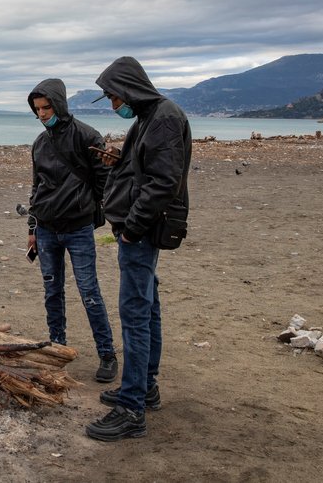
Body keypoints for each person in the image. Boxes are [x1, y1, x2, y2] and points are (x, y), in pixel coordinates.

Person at [86, 56, 192, 442]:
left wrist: (130, 229)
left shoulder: (163, 118)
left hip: (142, 233)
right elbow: (147, 170)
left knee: (135, 313)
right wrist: (119, 160)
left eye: (114, 97)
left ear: (130, 88)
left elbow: (163, 182)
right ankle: (144, 387)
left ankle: (131, 409)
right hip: (141, 230)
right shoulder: (150, 118)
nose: (114, 106)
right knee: (147, 308)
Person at [26, 78, 117, 383]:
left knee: (89, 292)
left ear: (59, 104)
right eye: (37, 108)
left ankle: (107, 354)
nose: (41, 113)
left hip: (78, 229)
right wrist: (32, 227)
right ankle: (57, 349)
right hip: (47, 230)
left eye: (46, 107)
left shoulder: (86, 135)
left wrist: (93, 210)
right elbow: (36, 187)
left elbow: (105, 179)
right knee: (52, 292)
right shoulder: (39, 143)